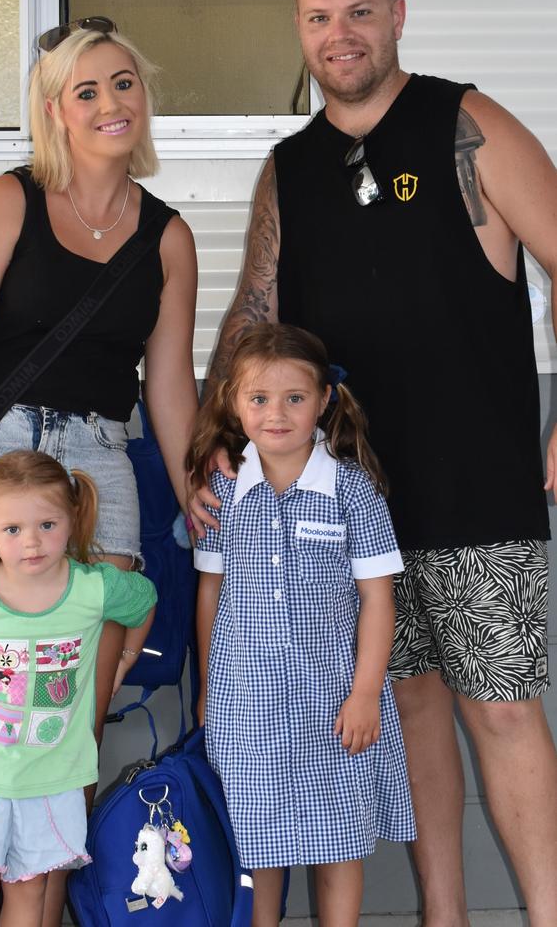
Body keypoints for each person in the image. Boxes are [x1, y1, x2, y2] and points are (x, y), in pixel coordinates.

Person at [192, 0, 557, 924]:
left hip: (477, 479)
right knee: (406, 708)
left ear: (395, 16)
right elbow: (251, 315)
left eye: (358, 11)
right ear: (299, 31)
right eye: (317, 17)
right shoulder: (289, 168)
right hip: (349, 499)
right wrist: (208, 447)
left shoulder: (462, 122)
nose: (338, 34)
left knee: (505, 708)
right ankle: (442, 914)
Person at [0, 18, 198, 926]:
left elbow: (170, 390)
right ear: (55, 112)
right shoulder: (9, 200)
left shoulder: (169, 236)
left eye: (124, 84)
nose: (111, 103)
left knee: (72, 729)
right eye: (88, 91)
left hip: (98, 477)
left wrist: (198, 492)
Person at [189, 323, 415, 927]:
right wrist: (211, 687)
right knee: (258, 842)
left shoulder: (352, 493)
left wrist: (367, 692)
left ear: (323, 400)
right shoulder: (223, 490)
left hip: (335, 699)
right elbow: (210, 593)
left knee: (338, 841)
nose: (277, 414)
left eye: (294, 398)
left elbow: (377, 599)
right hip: (248, 702)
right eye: (259, 399)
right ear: (234, 405)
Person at [0, 450, 157, 927]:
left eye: (47, 524)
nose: (32, 543)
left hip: (54, 782)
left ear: (72, 517)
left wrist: (126, 658)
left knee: (30, 892)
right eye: (13, 530)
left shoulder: (96, 588)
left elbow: (144, 599)